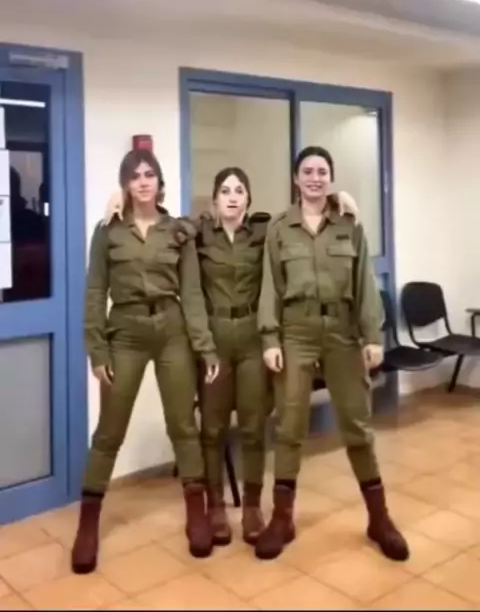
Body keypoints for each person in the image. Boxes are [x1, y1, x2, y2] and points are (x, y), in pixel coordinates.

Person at [102, 172, 360, 548]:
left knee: (254, 426)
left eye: (240, 191)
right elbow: (162, 225)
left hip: (253, 339)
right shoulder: (197, 233)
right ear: (215, 200)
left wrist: (337, 198)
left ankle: (252, 506)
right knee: (212, 428)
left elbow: (303, 217)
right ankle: (216, 507)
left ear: (249, 199)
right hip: (215, 340)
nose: (233, 197)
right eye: (225, 191)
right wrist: (122, 200)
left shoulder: (265, 232)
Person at [255, 145, 409, 563]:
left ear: (331, 178)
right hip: (296, 331)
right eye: (307, 171)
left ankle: (379, 519)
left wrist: (372, 336)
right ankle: (282, 519)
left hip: (343, 332)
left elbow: (364, 284)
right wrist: (270, 339)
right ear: (295, 178)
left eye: (322, 171)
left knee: (357, 424)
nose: (315, 178)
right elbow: (270, 285)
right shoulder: (279, 229)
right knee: (289, 426)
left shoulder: (349, 223)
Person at [71, 149, 220, 575]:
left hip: (172, 329)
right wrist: (97, 349)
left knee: (183, 425)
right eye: (134, 176)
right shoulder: (108, 232)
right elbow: (95, 293)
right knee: (110, 429)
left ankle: (196, 512)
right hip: (127, 332)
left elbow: (192, 293)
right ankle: (88, 524)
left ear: (159, 181)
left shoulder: (178, 231)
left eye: (149, 174)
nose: (142, 182)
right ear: (125, 184)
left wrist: (205, 346)